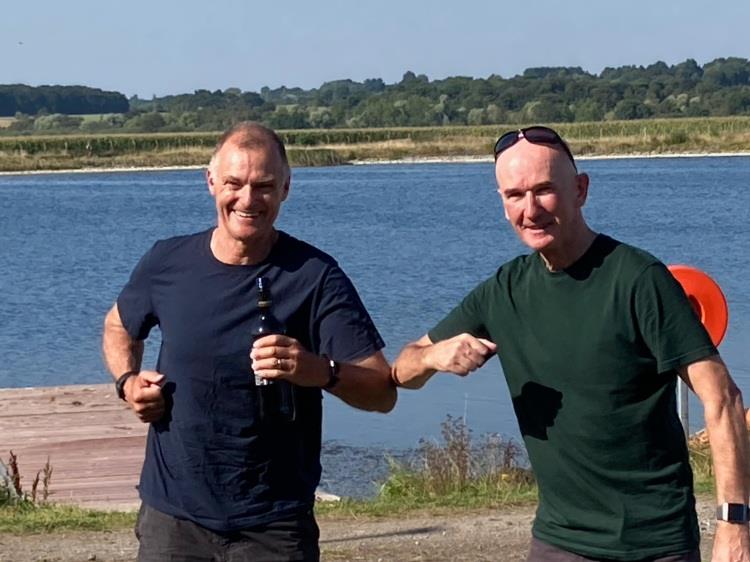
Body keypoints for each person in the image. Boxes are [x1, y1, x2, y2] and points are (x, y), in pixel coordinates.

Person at [392, 126, 750, 561]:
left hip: (652, 544)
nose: (530, 210)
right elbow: (402, 372)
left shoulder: (637, 279)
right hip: (558, 542)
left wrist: (734, 525)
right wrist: (433, 356)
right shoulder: (503, 291)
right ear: (502, 204)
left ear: (580, 189)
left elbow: (723, 399)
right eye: (514, 195)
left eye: (545, 191)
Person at [102, 121, 396, 562]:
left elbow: (381, 391)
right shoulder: (166, 261)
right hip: (173, 519)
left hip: (273, 524)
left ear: (286, 189)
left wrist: (317, 370)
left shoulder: (315, 276)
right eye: (234, 184)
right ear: (210, 182)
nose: (248, 200)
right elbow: (118, 327)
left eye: (264, 186)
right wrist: (128, 382)